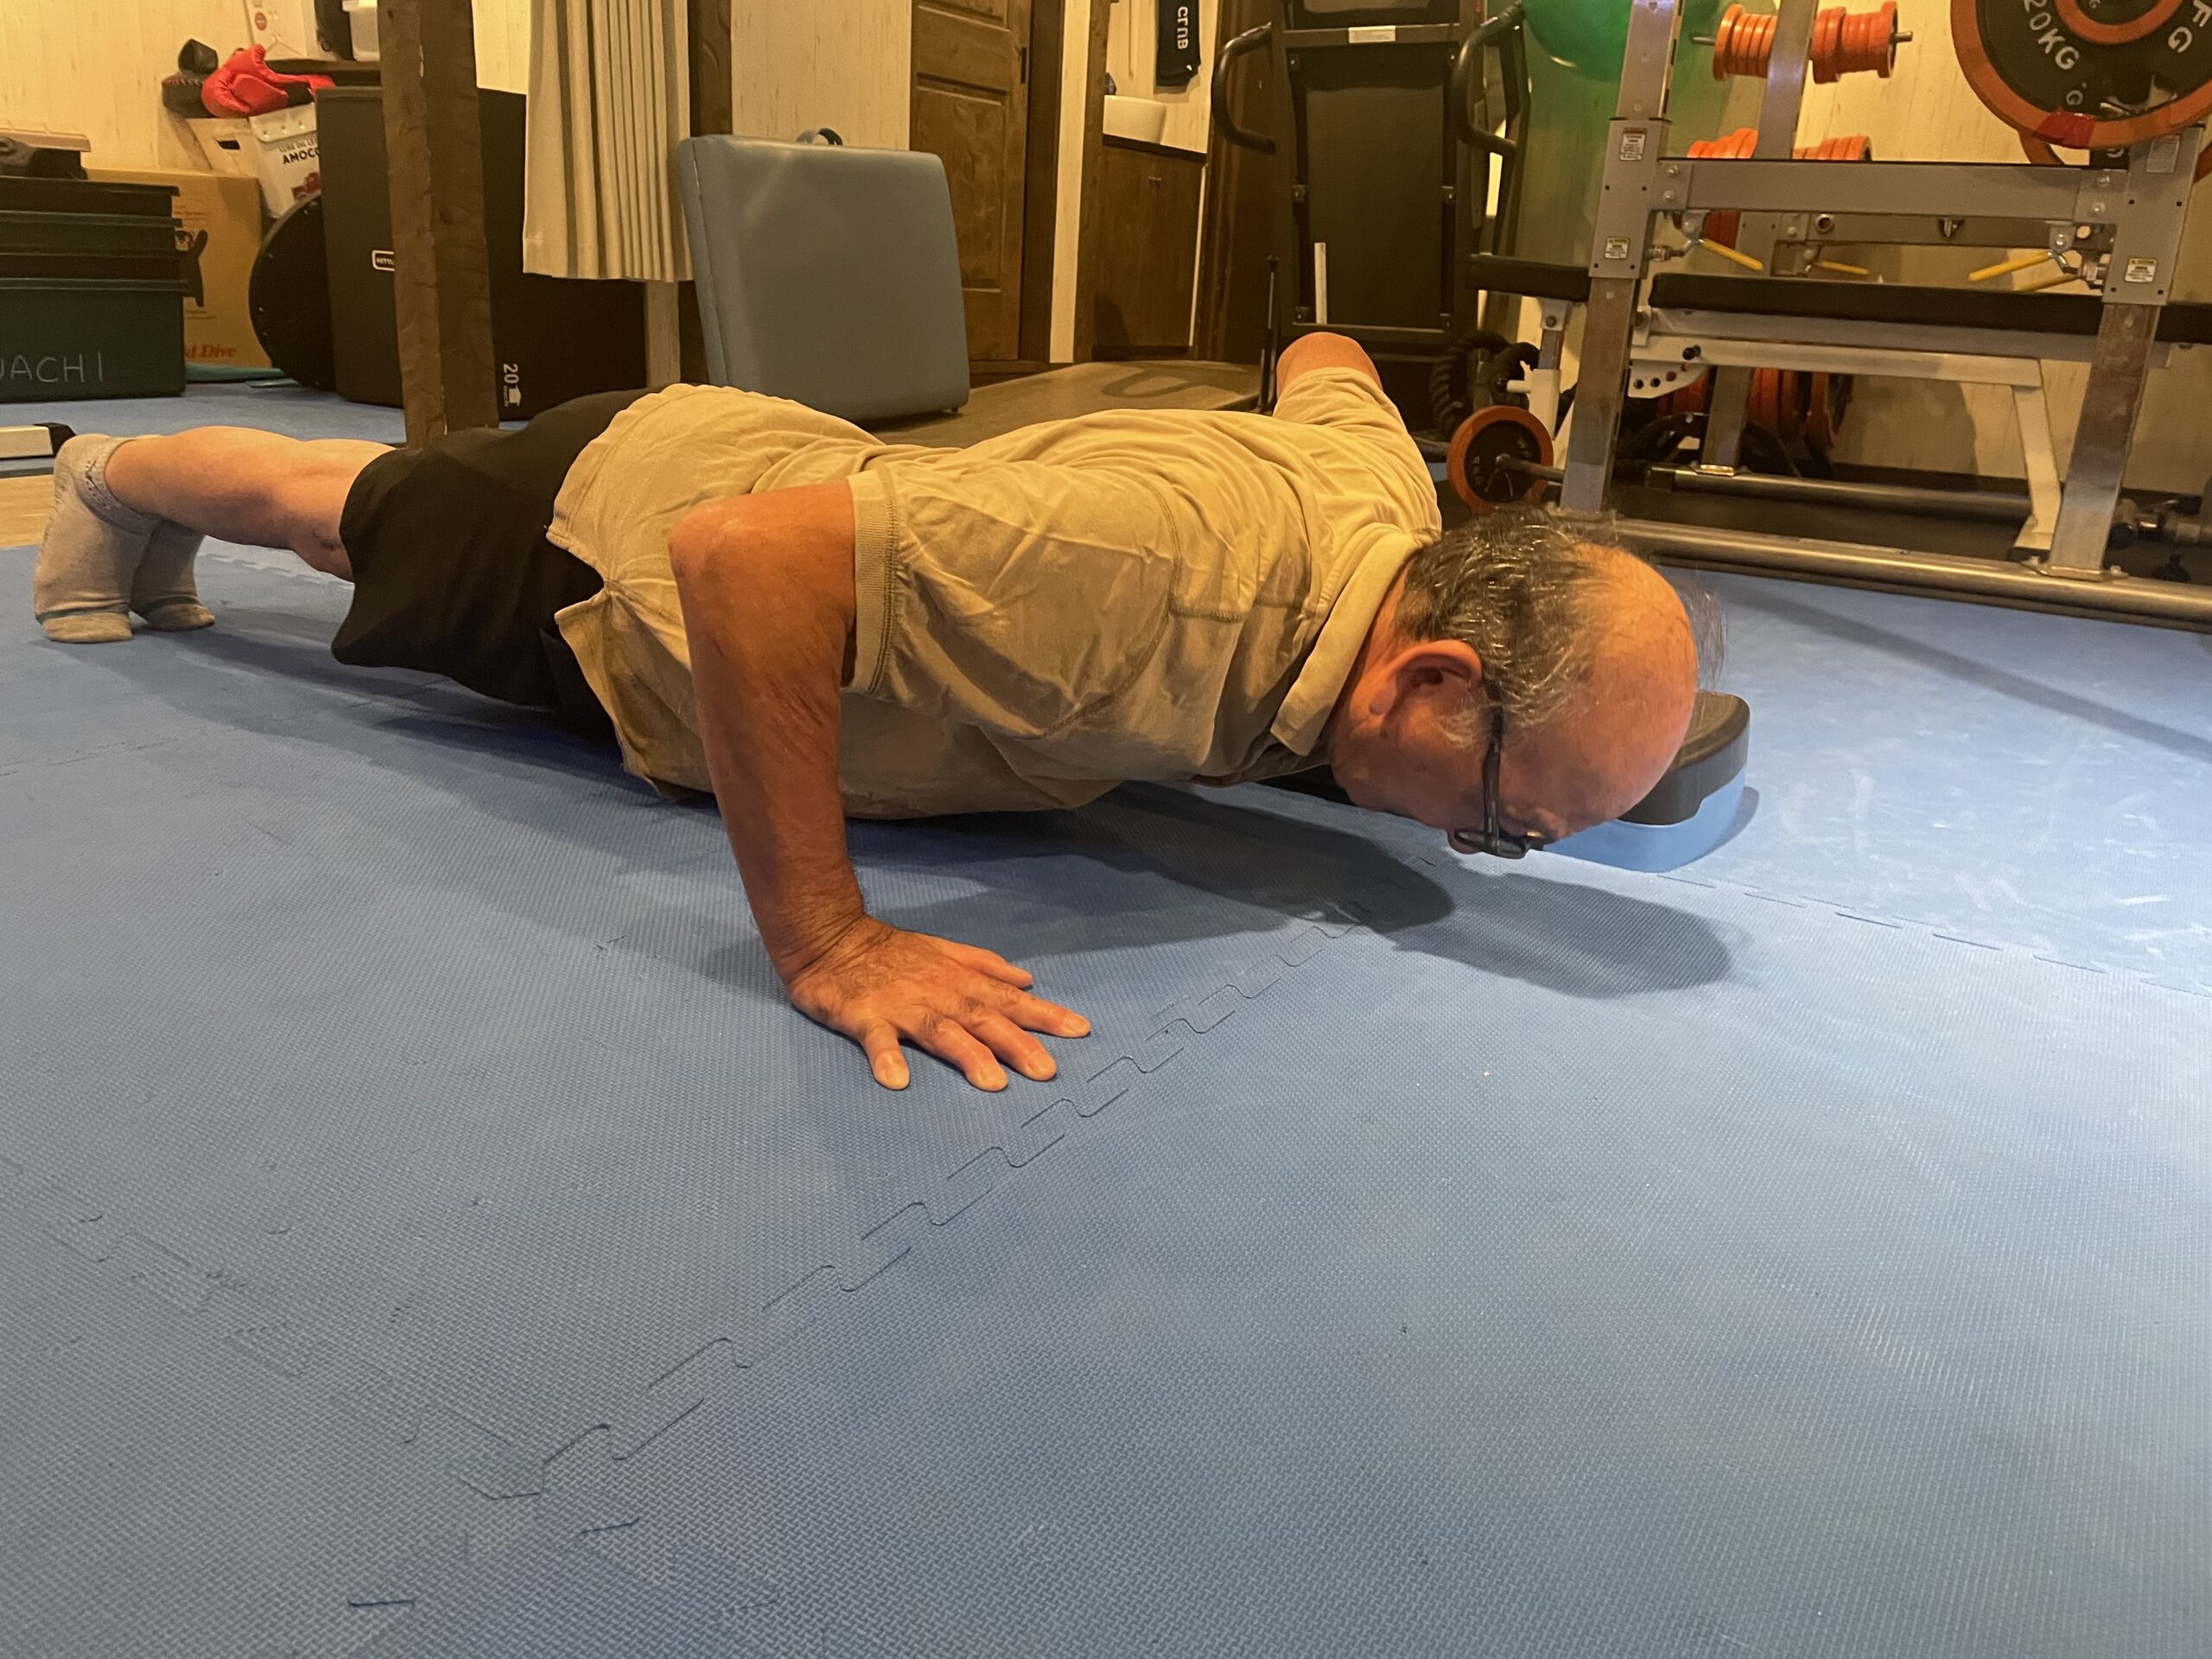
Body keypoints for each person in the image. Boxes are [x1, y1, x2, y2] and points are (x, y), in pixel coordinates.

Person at [31, 333, 1702, 1091]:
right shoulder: (1154, 593)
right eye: (1504, 821)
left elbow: (1329, 362)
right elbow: (743, 563)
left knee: (361, 494)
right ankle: (107, 476)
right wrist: (829, 941)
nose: (1481, 851)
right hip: (623, 545)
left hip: (788, 464)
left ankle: (145, 491)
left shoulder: (1387, 508)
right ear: (1431, 675)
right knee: (340, 513)